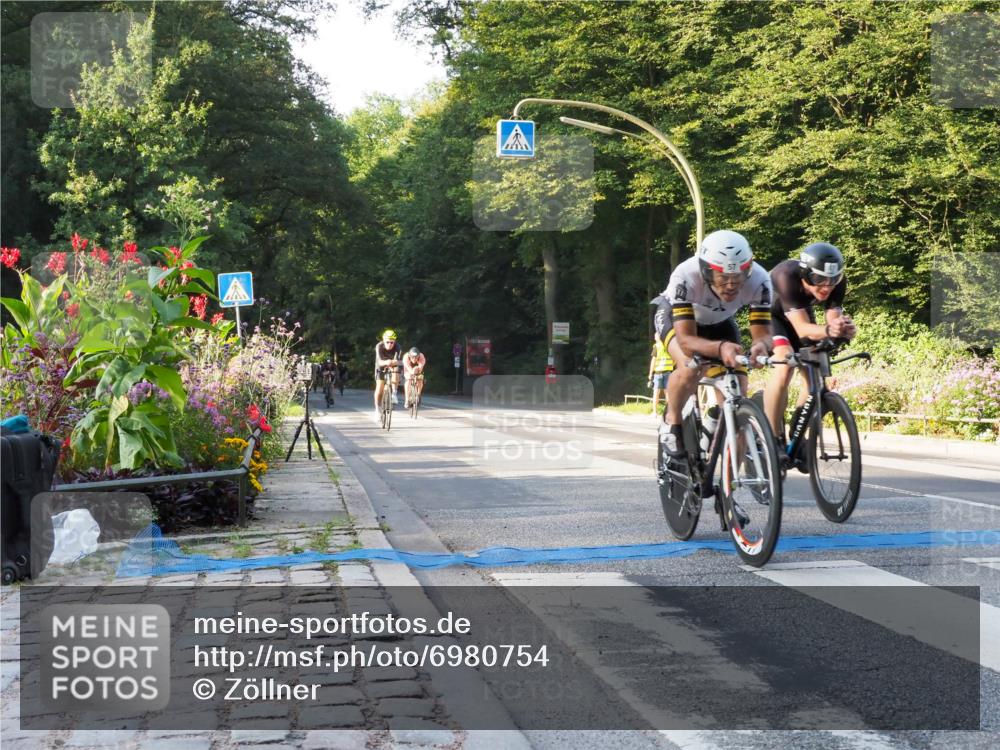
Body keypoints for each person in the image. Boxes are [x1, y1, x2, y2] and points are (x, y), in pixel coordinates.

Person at [652, 229, 773, 460]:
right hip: (677, 319)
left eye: (738, 277)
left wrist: (761, 346)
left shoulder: (760, 280)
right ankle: (672, 421)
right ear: (707, 272)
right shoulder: (686, 275)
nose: (731, 285)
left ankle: (719, 423)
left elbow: (763, 334)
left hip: (719, 322)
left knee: (737, 386)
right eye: (723, 278)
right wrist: (720, 348)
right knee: (690, 366)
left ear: (748, 270)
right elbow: (687, 341)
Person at [762, 242, 856, 444]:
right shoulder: (786, 275)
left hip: (800, 312)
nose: (826, 286)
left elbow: (832, 320)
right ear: (805, 274)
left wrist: (842, 328)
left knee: (814, 371)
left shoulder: (836, 282)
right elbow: (802, 328)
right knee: (784, 364)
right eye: (818, 279)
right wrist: (829, 330)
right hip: (771, 314)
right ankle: (772, 437)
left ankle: (797, 433)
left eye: (833, 279)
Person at [374, 329, 402, 418]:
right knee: (379, 387)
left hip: (392, 364)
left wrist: (393, 363)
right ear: (383, 340)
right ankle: (377, 409)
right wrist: (387, 362)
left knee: (396, 369)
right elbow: (379, 362)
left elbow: (398, 361)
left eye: (392, 342)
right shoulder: (379, 346)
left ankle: (394, 393)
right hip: (381, 364)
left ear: (395, 342)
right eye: (387, 342)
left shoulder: (398, 347)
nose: (390, 344)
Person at [647, 339, 672, 418]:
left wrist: (650, 373)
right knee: (667, 394)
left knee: (656, 393)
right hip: (668, 372)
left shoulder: (657, 346)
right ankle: (668, 413)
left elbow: (653, 361)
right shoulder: (669, 345)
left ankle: (655, 413)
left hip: (658, 373)